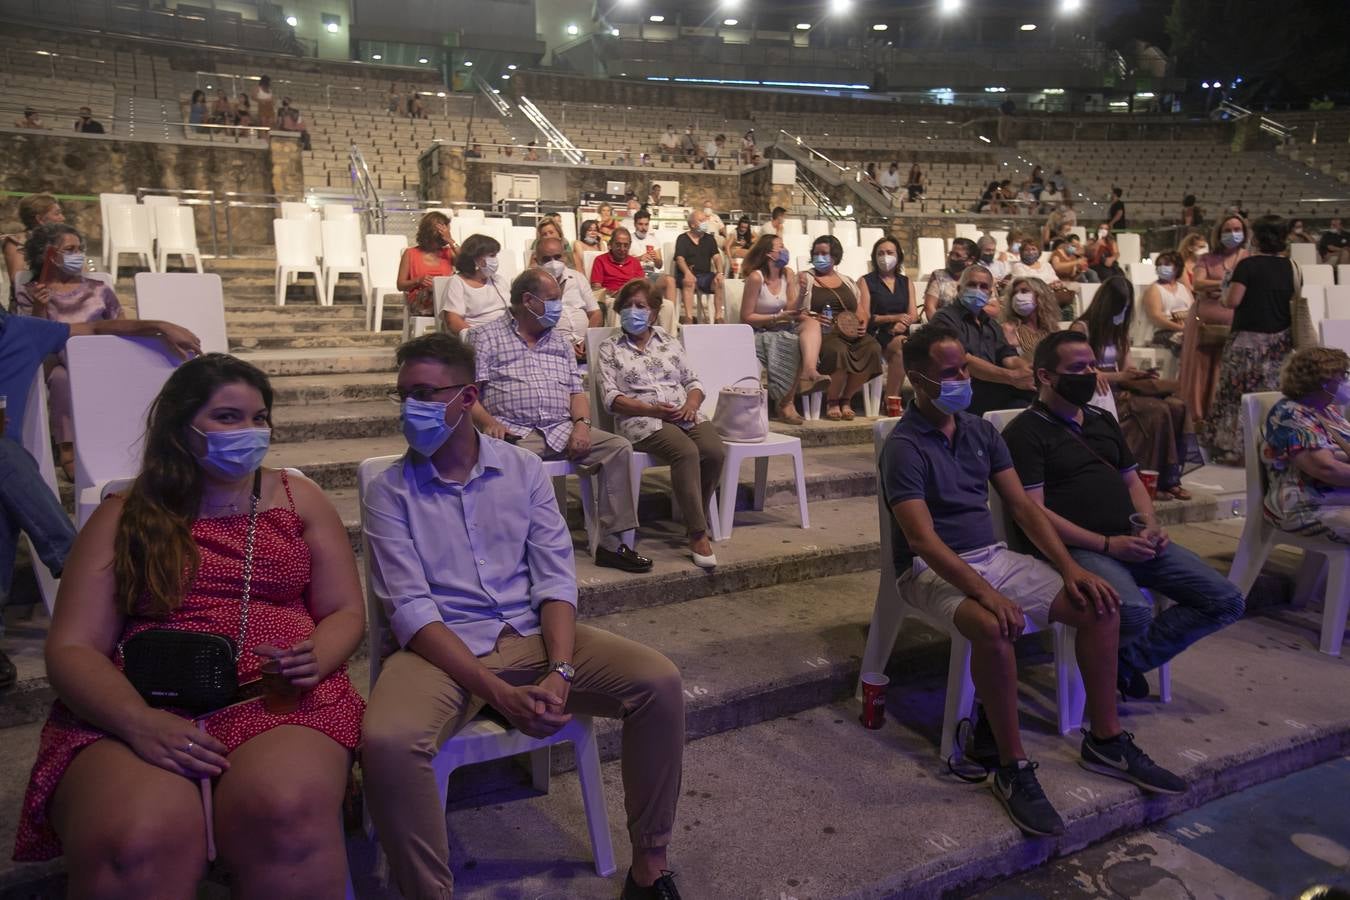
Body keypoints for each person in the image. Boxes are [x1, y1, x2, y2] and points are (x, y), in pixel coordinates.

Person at [13, 353, 367, 900]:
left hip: (273, 691)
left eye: (259, 418)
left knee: (284, 811)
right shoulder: (126, 513)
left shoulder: (300, 499)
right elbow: (74, 646)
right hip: (145, 696)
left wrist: (317, 655)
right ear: (182, 427)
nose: (249, 432)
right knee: (135, 839)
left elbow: (345, 609)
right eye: (228, 417)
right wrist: (137, 722)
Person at [360, 332, 684, 900]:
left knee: (658, 682)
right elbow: (410, 609)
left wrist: (559, 670)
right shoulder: (390, 491)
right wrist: (495, 690)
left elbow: (555, 576)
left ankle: (649, 867)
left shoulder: (523, 470)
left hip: (534, 635)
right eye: (404, 394)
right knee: (389, 741)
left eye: (427, 394)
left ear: (469, 397)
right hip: (444, 649)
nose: (413, 407)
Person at [883, 324, 1184, 838]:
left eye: (966, 369)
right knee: (994, 623)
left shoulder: (979, 431)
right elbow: (924, 542)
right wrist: (986, 592)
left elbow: (1023, 506)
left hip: (993, 557)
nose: (963, 379)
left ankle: (1105, 739)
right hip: (930, 569)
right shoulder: (905, 445)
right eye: (950, 372)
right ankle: (1011, 763)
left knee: (1099, 603)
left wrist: (1072, 568)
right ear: (918, 379)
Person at [1004, 331, 1245, 701]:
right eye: (1077, 368)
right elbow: (1034, 512)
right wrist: (1106, 545)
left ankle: (1123, 664)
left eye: (1091, 365)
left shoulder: (1101, 419)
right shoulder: (1026, 432)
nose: (1089, 374)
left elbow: (1132, 481)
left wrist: (1149, 523)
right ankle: (1110, 670)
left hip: (1130, 537)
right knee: (1132, 612)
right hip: (1080, 547)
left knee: (1227, 600)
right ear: (1045, 376)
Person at [0, 307, 200, 689]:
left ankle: (71, 560)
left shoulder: (23, 332)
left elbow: (93, 326)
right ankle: (78, 563)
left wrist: (156, 325)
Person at [468, 269, 652, 573]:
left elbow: (575, 391)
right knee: (502, 461)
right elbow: (470, 394)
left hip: (561, 428)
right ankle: (512, 552)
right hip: (514, 432)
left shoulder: (559, 341)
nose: (559, 308)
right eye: (552, 300)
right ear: (528, 300)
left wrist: (581, 424)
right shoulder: (486, 337)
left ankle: (611, 544)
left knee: (617, 447)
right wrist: (488, 422)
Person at [600, 280, 726, 568]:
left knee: (714, 450)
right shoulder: (610, 348)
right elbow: (611, 397)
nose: (634, 311)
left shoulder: (669, 342)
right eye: (628, 306)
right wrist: (653, 410)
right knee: (686, 451)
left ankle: (692, 510)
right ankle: (697, 533)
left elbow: (692, 381)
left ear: (654, 312)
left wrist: (691, 405)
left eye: (641, 306)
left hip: (682, 410)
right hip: (641, 419)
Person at [16, 224, 125, 478]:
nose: (77, 254)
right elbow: (30, 337)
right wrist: (39, 308)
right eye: (70, 249)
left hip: (100, 358)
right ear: (50, 255)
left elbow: (121, 325)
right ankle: (68, 450)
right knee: (62, 377)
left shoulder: (100, 290)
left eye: (79, 249)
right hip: (56, 362)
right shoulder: (30, 292)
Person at [1072, 277, 1194, 500]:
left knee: (1177, 407)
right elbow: (1080, 372)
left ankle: (1169, 478)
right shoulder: (1082, 328)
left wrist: (1137, 374)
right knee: (1157, 411)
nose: (1123, 313)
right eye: (1121, 307)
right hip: (1099, 395)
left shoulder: (1119, 331)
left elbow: (1127, 367)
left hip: (1123, 389)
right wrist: (1118, 375)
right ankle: (1149, 480)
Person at [1201, 215, 1299, 466]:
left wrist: (1224, 292)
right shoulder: (1292, 267)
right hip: (1280, 344)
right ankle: (1269, 446)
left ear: (1256, 237)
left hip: (1247, 343)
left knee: (1237, 395)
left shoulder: (1248, 266)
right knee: (1270, 396)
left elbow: (1231, 301)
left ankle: (1234, 448)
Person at [1261, 346, 1350, 543]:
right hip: (1302, 504)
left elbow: (1336, 452)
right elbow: (1326, 468)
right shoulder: (1291, 414)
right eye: (1341, 377)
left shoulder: (1327, 410)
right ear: (1321, 383)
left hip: (1335, 496)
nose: (1345, 382)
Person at [740, 234, 825, 424]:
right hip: (759, 332)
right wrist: (775, 317)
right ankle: (786, 404)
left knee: (812, 323)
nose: (785, 250)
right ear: (769, 254)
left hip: (783, 326)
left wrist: (803, 291)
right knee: (794, 343)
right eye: (781, 247)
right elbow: (746, 317)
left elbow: (792, 309)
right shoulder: (756, 278)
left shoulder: (787, 273)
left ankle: (809, 372)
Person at [931, 264, 1035, 416]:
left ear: (989, 293)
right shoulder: (944, 318)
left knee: (1035, 400)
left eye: (983, 286)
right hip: (962, 391)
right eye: (972, 285)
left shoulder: (991, 324)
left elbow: (1008, 357)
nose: (977, 290)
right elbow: (963, 361)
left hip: (993, 387)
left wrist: (1026, 372)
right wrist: (1011, 377)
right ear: (959, 289)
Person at [799, 235, 882, 420]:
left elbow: (860, 309)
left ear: (835, 256)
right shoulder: (806, 278)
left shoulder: (847, 281)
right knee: (838, 351)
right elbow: (797, 310)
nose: (819, 257)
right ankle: (832, 400)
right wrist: (814, 318)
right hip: (823, 332)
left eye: (824, 253)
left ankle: (847, 398)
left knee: (873, 348)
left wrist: (862, 324)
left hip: (850, 330)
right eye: (816, 253)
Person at [1179, 215, 1247, 423]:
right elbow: (1198, 284)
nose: (1232, 233)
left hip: (1236, 321)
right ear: (1219, 233)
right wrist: (1230, 285)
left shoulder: (1248, 257)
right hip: (1204, 321)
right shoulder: (1206, 259)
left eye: (1237, 229)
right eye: (1227, 229)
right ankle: (1197, 415)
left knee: (1225, 367)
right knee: (1201, 367)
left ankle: (1221, 412)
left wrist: (1218, 285)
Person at [857, 236, 916, 400]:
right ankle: (892, 399)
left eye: (889, 252)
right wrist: (893, 318)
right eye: (880, 253)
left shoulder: (906, 282)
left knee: (906, 345)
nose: (885, 257)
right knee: (902, 346)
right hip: (876, 332)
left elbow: (913, 313)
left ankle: (895, 399)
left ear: (898, 256)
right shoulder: (866, 281)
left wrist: (902, 324)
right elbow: (867, 317)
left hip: (903, 331)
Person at [534, 235, 600, 361]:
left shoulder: (578, 278)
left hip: (585, 344)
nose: (553, 263)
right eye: (547, 259)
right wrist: (563, 346)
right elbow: (532, 326)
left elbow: (595, 313)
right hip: (552, 349)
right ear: (537, 260)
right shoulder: (532, 284)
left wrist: (588, 340)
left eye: (558, 257)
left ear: (565, 256)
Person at [443, 234, 510, 336]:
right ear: (475, 258)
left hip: (506, 333)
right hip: (478, 337)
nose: (495, 260)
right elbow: (453, 321)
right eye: (492, 255)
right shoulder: (457, 282)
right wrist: (479, 336)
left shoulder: (498, 280)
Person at [395, 211, 457, 320]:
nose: (445, 233)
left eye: (447, 231)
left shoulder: (448, 252)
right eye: (443, 231)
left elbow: (470, 264)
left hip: (447, 300)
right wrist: (418, 280)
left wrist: (451, 241)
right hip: (421, 301)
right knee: (437, 292)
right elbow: (400, 285)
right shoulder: (410, 253)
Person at [674, 210, 725, 324]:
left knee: (719, 281)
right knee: (689, 281)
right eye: (701, 221)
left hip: (705, 275)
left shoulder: (709, 239)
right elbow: (680, 259)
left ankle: (718, 317)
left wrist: (720, 273)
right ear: (692, 224)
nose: (705, 223)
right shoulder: (682, 239)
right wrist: (687, 273)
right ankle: (689, 317)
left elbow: (717, 257)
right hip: (686, 274)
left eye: (705, 220)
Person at [3, 192, 65, 285]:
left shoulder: (63, 240)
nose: (63, 218)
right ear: (40, 219)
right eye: (57, 214)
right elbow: (18, 280)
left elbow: (89, 267)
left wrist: (90, 267)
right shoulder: (18, 242)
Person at [1142, 251, 1193, 356]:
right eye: (1159, 265)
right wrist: (1180, 328)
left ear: (1177, 268)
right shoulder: (1154, 289)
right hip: (1163, 332)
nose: (1162, 268)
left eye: (1166, 265)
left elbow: (1194, 311)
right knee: (1184, 342)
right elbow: (1156, 318)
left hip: (1186, 329)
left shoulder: (1184, 289)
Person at [1001, 276, 1059, 365]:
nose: (1018, 296)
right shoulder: (1008, 329)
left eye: (1024, 291)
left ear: (1040, 295)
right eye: (1014, 293)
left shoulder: (1052, 329)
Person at [923, 237, 977, 319]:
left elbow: (994, 309)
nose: (952, 258)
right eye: (951, 254)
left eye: (957, 255)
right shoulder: (939, 276)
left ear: (970, 260)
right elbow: (929, 307)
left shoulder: (980, 278)